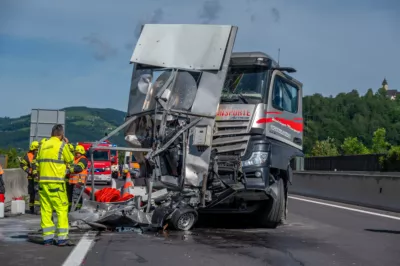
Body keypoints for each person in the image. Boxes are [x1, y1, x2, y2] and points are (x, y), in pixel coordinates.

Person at [36, 124, 74, 246]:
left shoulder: (43, 145)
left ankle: (47, 238)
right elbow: (71, 160)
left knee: (46, 210)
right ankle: (62, 238)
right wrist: (67, 144)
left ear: (51, 134)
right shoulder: (62, 145)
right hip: (56, 183)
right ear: (62, 135)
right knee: (61, 209)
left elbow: (36, 163)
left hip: (43, 183)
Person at [20, 141, 39, 214]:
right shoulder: (28, 155)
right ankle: (31, 208)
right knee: (32, 193)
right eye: (36, 149)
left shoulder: (40, 154)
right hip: (31, 177)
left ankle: (37, 209)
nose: (37, 151)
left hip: (38, 177)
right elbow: (22, 164)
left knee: (37, 192)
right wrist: (28, 170)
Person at [67, 145, 88, 211]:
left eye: (78, 153)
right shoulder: (75, 159)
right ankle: (69, 209)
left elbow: (79, 168)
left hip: (79, 181)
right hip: (72, 181)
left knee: (77, 197)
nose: (76, 154)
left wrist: (70, 169)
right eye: (75, 153)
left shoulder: (83, 159)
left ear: (81, 153)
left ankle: (78, 210)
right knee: (69, 196)